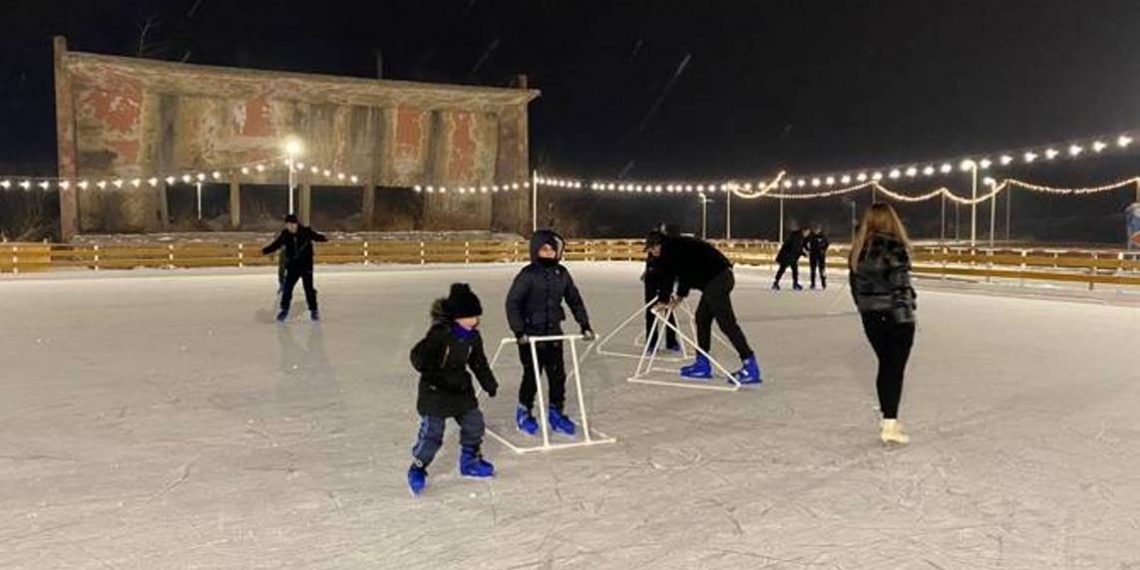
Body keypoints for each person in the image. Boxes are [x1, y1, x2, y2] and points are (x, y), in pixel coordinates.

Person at [407, 283, 499, 496]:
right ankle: (418, 467)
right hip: (436, 391)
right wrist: (431, 371)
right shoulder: (440, 334)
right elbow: (418, 356)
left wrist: (489, 383)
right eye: (470, 317)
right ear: (457, 317)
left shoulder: (473, 337)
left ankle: (470, 460)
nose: (475, 321)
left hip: (460, 388)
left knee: (474, 423)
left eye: (476, 316)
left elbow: (478, 362)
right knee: (433, 434)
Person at [506, 229, 594, 437]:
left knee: (557, 377)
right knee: (532, 376)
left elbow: (574, 299)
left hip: (553, 333)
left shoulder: (561, 274)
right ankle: (524, 411)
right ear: (536, 251)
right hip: (531, 335)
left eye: (552, 250)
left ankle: (556, 412)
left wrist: (584, 324)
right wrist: (519, 330)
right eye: (544, 249)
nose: (548, 253)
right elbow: (513, 303)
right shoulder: (527, 274)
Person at [645, 231, 760, 385]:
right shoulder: (675, 246)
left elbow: (673, 276)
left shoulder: (670, 250)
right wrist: (675, 299)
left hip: (718, 279)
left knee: (727, 323)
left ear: (658, 244)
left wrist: (665, 300)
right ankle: (702, 364)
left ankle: (750, 365)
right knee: (702, 318)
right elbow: (684, 273)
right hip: (716, 279)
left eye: (652, 249)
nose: (653, 253)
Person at [849, 203, 917, 445]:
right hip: (894, 317)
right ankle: (889, 423)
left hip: (871, 318)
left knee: (886, 366)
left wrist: (866, 310)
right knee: (893, 369)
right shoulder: (894, 247)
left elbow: (854, 288)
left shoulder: (858, 249)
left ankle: (889, 418)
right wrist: (906, 321)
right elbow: (900, 287)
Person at [261, 214, 327, 322]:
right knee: (287, 288)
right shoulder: (285, 234)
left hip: (306, 266)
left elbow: (316, 236)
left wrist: (325, 238)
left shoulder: (305, 232)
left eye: (292, 225)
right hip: (292, 266)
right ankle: (284, 309)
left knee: (308, 289)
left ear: (296, 224)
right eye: (288, 225)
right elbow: (276, 245)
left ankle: (314, 310)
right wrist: (264, 251)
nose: (290, 227)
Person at [643, 222, 681, 354]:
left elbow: (669, 279)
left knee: (668, 311)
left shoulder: (669, 254)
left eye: (655, 248)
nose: (653, 252)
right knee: (650, 312)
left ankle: (672, 342)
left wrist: (664, 299)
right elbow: (650, 271)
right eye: (650, 249)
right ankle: (651, 343)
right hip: (651, 282)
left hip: (666, 281)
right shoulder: (652, 255)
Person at [805, 225, 831, 290]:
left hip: (821, 256)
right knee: (813, 270)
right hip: (813, 255)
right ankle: (813, 284)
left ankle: (823, 283)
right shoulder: (811, 236)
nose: (816, 230)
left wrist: (823, 250)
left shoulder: (823, 236)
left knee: (822, 269)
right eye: (815, 229)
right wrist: (808, 250)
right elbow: (805, 243)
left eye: (817, 229)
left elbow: (827, 244)